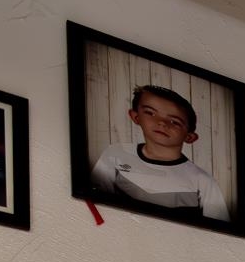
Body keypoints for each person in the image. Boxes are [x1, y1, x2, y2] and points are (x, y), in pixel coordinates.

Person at [89, 84, 229, 223]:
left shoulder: (203, 182)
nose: (161, 123)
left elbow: (222, 234)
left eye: (174, 121)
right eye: (150, 113)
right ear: (135, 117)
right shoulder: (115, 155)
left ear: (190, 137)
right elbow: (95, 204)